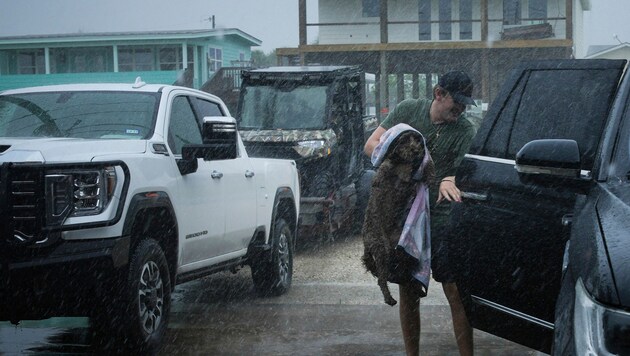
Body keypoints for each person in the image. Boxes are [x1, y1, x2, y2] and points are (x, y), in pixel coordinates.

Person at [364, 70, 477, 356]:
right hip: (405, 221)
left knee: (455, 292)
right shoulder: (407, 111)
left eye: (465, 104)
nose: (461, 109)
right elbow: (371, 145)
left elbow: (463, 173)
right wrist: (404, 158)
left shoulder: (465, 131)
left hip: (441, 221)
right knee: (409, 292)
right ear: (439, 94)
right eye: (457, 102)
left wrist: (453, 178)